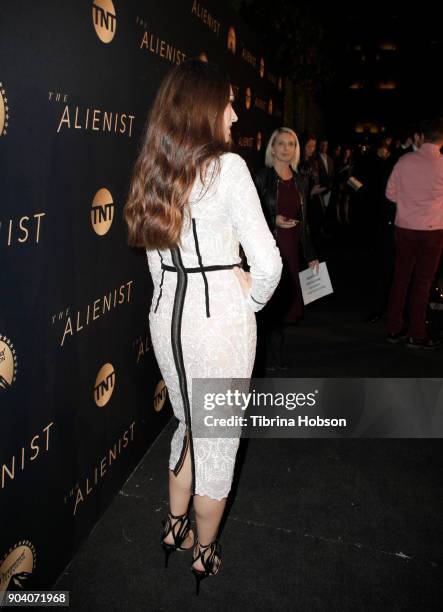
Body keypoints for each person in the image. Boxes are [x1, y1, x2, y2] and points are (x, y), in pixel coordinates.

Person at [124, 60, 282, 593]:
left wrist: (172, 295)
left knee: (188, 423)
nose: (235, 114)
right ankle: (205, 552)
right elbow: (270, 264)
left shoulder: (155, 169)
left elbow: (152, 262)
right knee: (215, 439)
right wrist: (251, 294)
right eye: (228, 103)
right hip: (217, 326)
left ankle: (174, 529)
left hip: (167, 317)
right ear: (202, 109)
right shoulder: (228, 170)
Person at [254, 127, 318, 370]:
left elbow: (305, 222)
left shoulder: (301, 180)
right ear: (272, 148)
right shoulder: (261, 177)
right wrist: (274, 219)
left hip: (291, 247)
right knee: (270, 302)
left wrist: (311, 255)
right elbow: (249, 218)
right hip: (268, 248)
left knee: (285, 304)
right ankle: (265, 359)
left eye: (291, 144)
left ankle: (276, 358)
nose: (286, 148)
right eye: (281, 143)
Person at [385, 117, 443, 349]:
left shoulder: (405, 160)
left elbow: (389, 193)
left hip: (405, 227)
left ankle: (394, 327)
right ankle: (416, 332)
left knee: (401, 278)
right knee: (422, 282)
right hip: (432, 230)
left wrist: (408, 203)